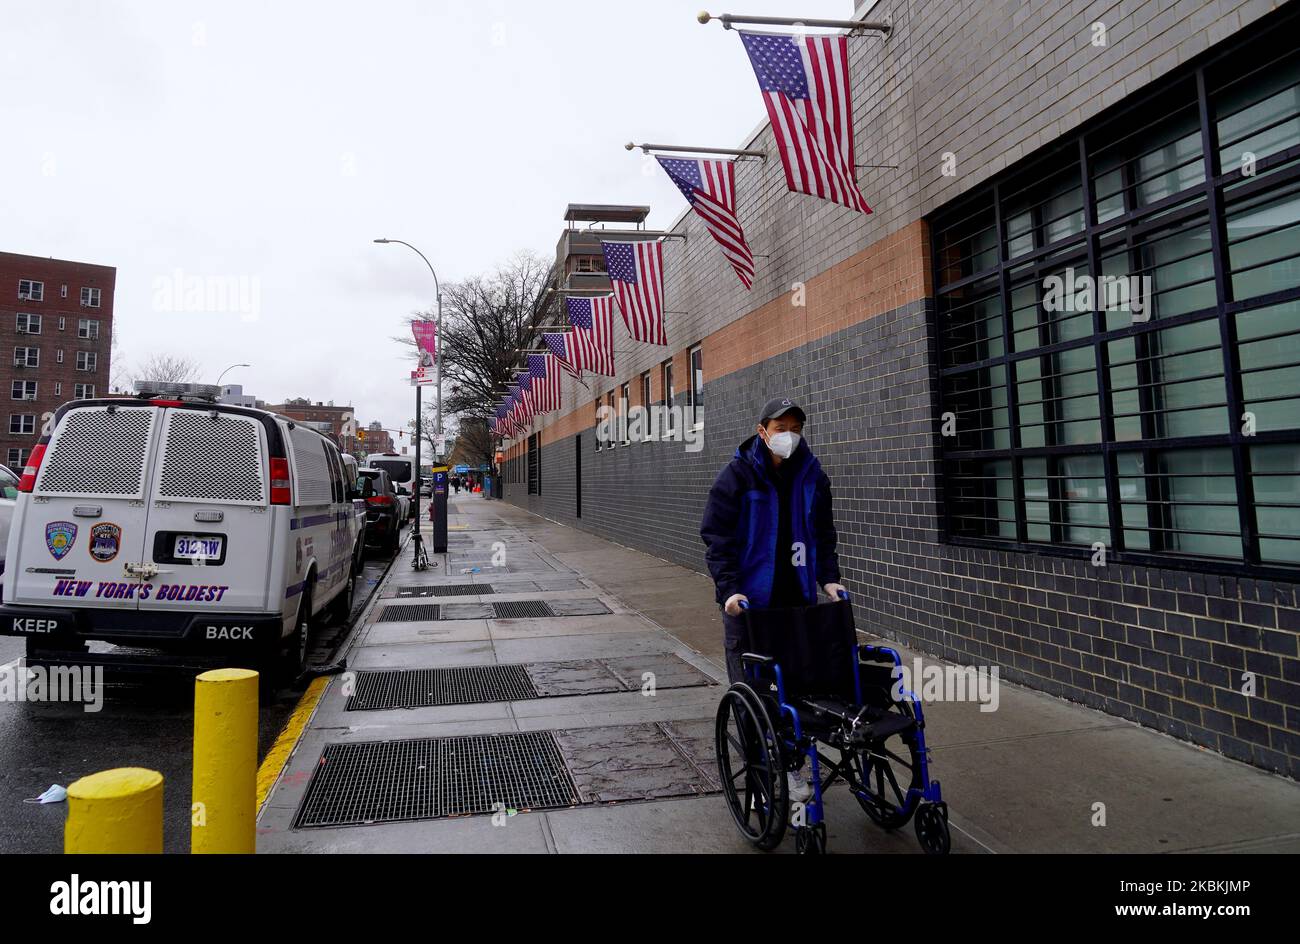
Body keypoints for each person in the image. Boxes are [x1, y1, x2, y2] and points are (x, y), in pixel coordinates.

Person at [700, 397, 846, 800]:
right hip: (749, 607)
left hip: (795, 601)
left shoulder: (813, 477)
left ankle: (793, 765)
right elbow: (717, 539)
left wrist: (828, 580)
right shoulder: (737, 476)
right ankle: (763, 775)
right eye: (781, 428)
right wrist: (729, 589)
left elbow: (823, 535)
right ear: (762, 431)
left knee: (796, 687)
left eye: (796, 428)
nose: (789, 436)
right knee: (753, 693)